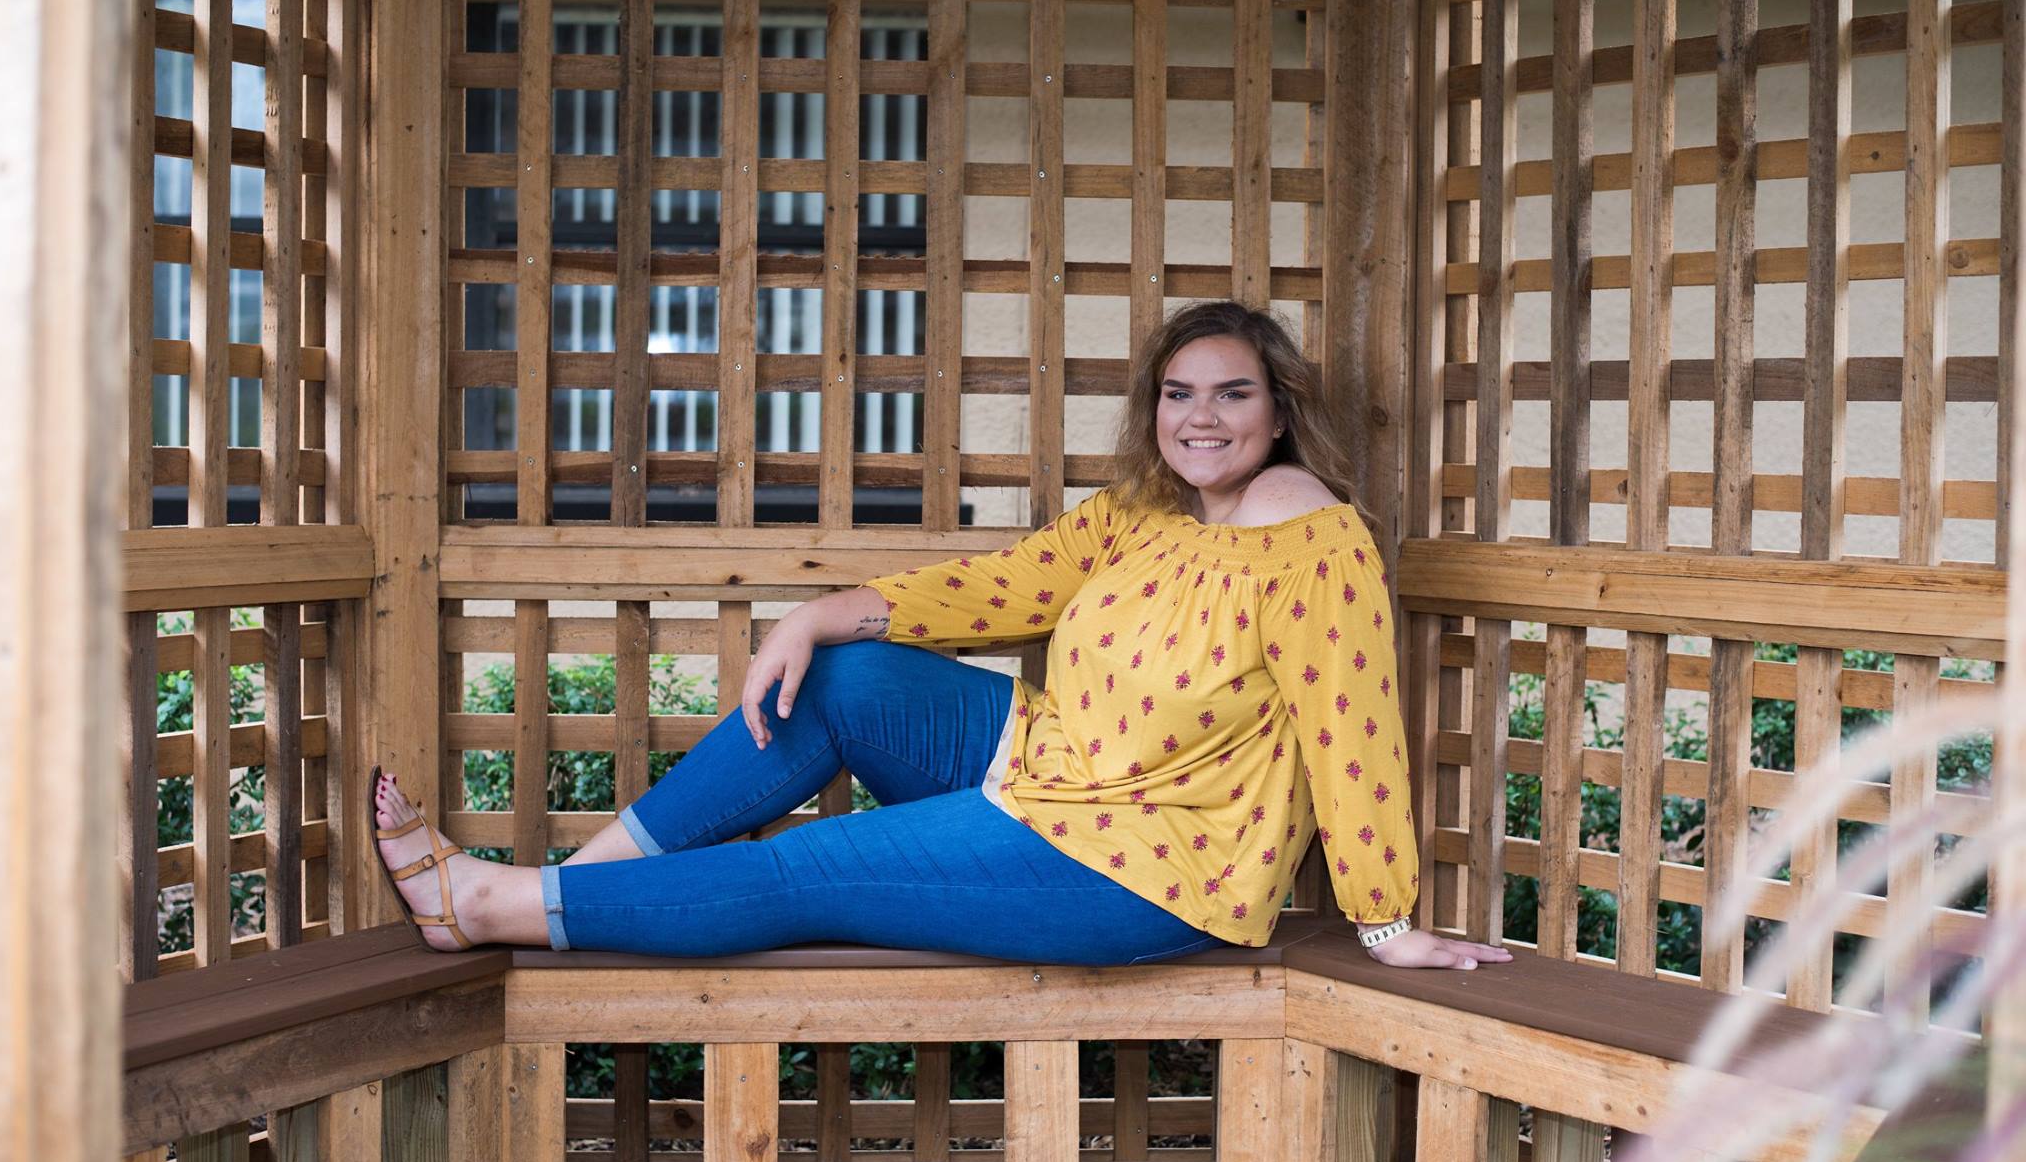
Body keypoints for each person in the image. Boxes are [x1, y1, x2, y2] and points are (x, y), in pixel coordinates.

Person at [372, 300, 1513, 974]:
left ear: (1278, 408)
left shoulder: (1312, 542)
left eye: (1230, 394)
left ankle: (494, 906)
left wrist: (1386, 921)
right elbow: (1005, 585)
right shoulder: (1144, 513)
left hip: (1146, 864)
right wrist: (816, 614)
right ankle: (580, 889)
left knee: (802, 871)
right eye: (1178, 394)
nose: (1199, 417)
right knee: (849, 676)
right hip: (1052, 767)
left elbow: (1353, 733)